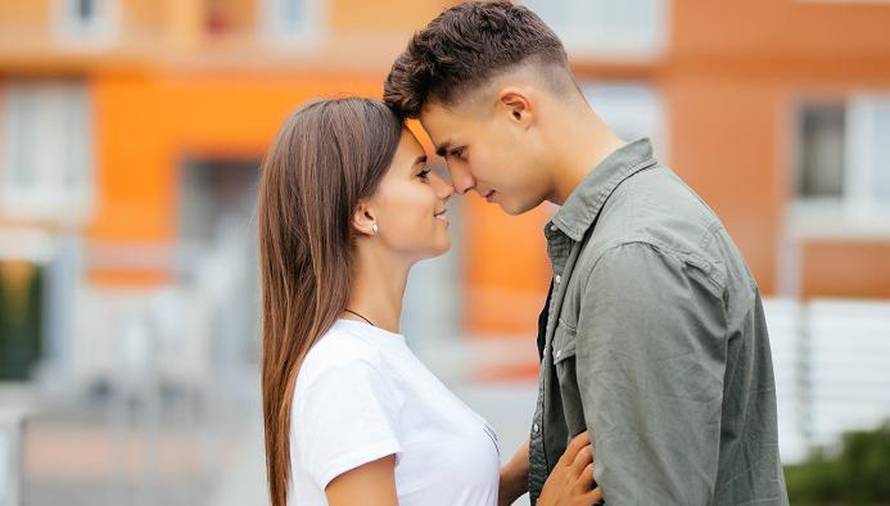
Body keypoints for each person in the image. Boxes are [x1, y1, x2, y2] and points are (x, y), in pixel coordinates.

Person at [384, 2, 790, 505]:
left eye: (458, 152)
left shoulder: (632, 257)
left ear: (517, 109)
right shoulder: (617, 235)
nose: (460, 183)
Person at [257, 97, 603, 506]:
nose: (448, 187)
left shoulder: (373, 354)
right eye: (421, 174)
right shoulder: (346, 369)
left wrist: (518, 475)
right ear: (364, 213)